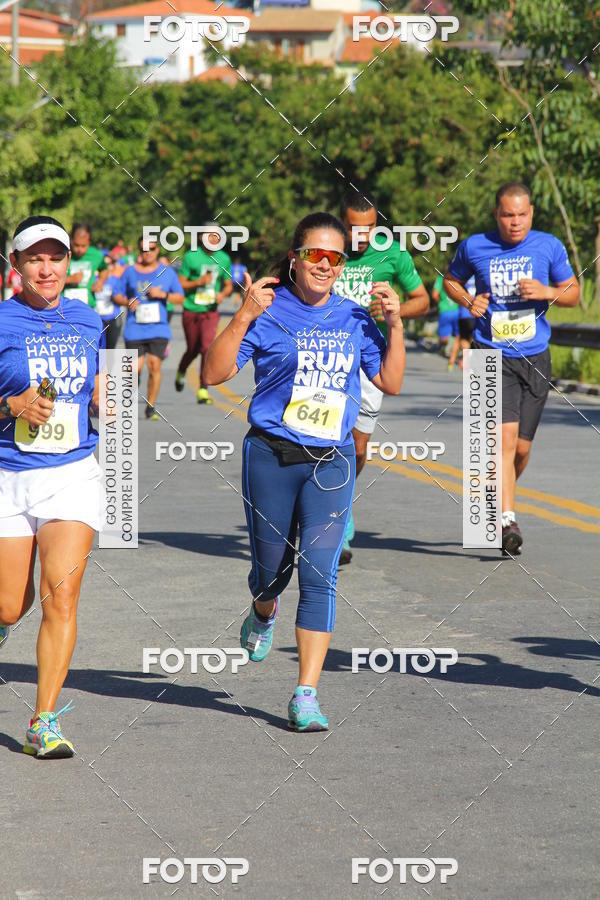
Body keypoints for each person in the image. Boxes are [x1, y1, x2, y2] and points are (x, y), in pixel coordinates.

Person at [203, 212, 405, 731]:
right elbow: (213, 372)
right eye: (315, 254)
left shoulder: (354, 317)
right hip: (271, 456)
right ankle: (263, 608)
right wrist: (243, 315)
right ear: (294, 258)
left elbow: (389, 380)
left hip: (331, 461)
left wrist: (395, 324)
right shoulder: (268, 309)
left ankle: (306, 694)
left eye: (335, 258)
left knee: (320, 574)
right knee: (271, 573)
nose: (325, 265)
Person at [0, 215, 105, 758]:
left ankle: (43, 720)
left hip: (71, 474)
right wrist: (10, 405)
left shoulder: (89, 320)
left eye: (55, 257)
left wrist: (106, 401)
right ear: (16, 264)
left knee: (60, 596)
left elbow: (99, 386)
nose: (46, 269)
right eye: (35, 259)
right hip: (7, 476)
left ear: (69, 262)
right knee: (8, 607)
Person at [443, 181, 579, 555]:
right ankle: (506, 521)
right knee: (502, 442)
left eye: (521, 214)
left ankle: (501, 497)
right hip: (490, 353)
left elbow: (573, 293)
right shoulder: (475, 246)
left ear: (531, 213)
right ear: (497, 215)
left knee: (520, 449)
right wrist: (469, 301)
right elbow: (450, 281)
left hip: (535, 356)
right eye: (507, 215)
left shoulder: (548, 245)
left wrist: (546, 292)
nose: (515, 222)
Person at [332, 190, 429, 564]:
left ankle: (341, 504)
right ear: (342, 223)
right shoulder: (326, 247)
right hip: (326, 358)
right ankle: (334, 522)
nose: (361, 236)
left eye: (369, 227)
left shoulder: (393, 254)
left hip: (370, 360)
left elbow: (422, 300)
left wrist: (395, 309)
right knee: (325, 439)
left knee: (357, 449)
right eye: (354, 228)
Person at [113, 236, 184, 420]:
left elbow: (180, 297)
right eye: (144, 249)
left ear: (157, 250)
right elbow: (116, 295)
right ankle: (134, 385)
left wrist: (163, 295)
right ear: (139, 251)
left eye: (152, 249)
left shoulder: (167, 273)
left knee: (154, 366)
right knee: (133, 369)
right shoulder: (130, 272)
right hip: (134, 328)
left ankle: (151, 405)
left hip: (158, 328)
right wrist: (127, 301)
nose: (148, 253)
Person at [174, 225, 233, 405]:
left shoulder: (223, 258)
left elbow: (228, 285)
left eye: (217, 236)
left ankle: (203, 388)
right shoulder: (191, 257)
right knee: (193, 349)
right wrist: (198, 282)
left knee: (206, 347)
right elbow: (181, 283)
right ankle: (181, 370)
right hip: (191, 308)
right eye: (210, 235)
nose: (213, 239)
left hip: (210, 310)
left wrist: (222, 294)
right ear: (201, 237)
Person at [64, 224, 108, 309]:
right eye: (76, 245)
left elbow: (104, 269)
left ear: (89, 242)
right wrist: (69, 279)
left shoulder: (96, 255)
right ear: (71, 240)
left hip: (88, 305)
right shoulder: (63, 254)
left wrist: (100, 282)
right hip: (66, 306)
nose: (80, 250)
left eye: (83, 246)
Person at [93, 257, 126, 350]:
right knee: (97, 349)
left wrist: (116, 297)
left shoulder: (115, 280)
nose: (107, 267)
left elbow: (122, 296)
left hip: (113, 318)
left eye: (109, 264)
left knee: (110, 350)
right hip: (97, 319)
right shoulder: (93, 279)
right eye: (104, 265)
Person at [431, 272, 460, 368]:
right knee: (458, 336)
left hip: (445, 311)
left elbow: (434, 295)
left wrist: (440, 303)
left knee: (443, 339)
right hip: (456, 311)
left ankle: (449, 348)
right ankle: (453, 357)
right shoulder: (459, 277)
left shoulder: (441, 278)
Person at [448, 275, 476, 370]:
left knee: (463, 339)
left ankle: (464, 358)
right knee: (476, 338)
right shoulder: (479, 275)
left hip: (465, 313)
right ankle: (470, 358)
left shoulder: (462, 276)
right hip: (478, 314)